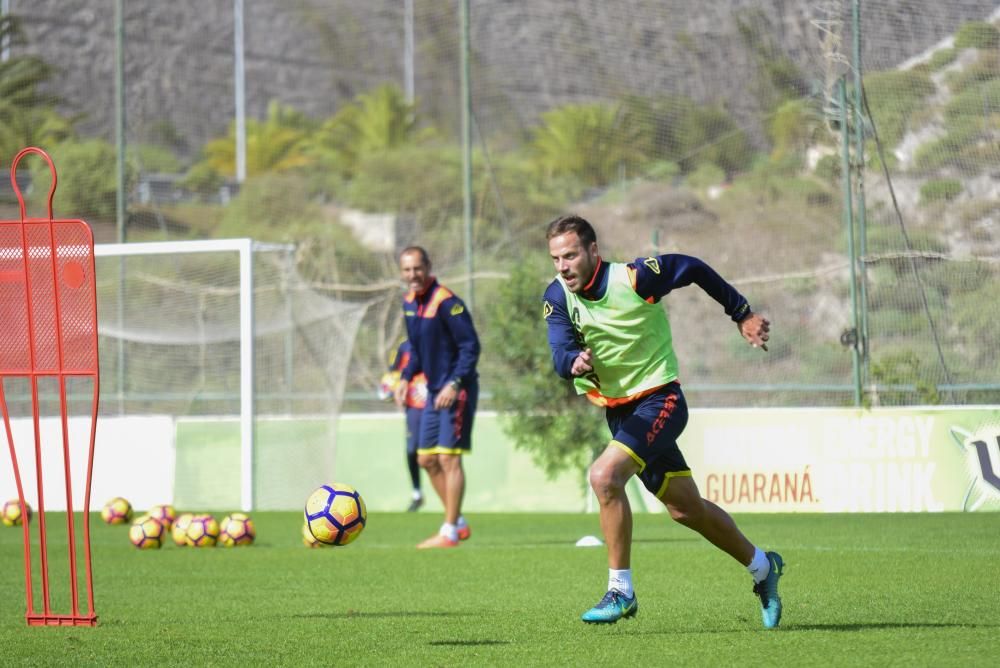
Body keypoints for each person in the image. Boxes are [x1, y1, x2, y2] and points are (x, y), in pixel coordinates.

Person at [542, 214, 783, 627]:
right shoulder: (558, 297)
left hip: (661, 400)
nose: (563, 267)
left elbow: (692, 267)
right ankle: (763, 567)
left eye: (570, 255)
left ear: (593, 252)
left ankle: (621, 591)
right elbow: (560, 350)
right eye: (555, 259)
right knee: (685, 510)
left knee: (604, 477)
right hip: (619, 413)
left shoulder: (635, 278)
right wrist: (573, 362)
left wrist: (740, 313)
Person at [394, 246, 480, 548]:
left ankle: (449, 532)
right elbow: (416, 350)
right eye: (406, 270)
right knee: (425, 459)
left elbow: (471, 347)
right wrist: (405, 378)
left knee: (447, 458)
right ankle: (457, 522)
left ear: (428, 267)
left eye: (417, 268)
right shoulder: (408, 304)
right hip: (431, 390)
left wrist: (455, 383)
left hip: (456, 389)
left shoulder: (447, 302)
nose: (412, 275)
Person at [378, 338, 429, 512]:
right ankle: (417, 493)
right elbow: (395, 374)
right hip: (414, 407)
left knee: (437, 455)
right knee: (411, 450)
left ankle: (449, 498)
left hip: (437, 406)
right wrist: (389, 388)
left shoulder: (441, 340)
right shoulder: (405, 346)